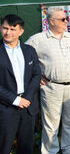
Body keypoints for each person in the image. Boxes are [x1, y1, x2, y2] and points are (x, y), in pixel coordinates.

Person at [26, 7, 70, 154]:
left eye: (66, 18)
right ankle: (50, 151)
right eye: (63, 19)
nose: (66, 21)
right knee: (51, 124)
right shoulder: (38, 40)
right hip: (51, 87)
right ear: (51, 21)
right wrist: (35, 77)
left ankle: (69, 149)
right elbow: (23, 58)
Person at [0, 15, 41, 154]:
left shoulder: (29, 51)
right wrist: (16, 100)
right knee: (3, 147)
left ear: (21, 31)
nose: (7, 32)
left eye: (12, 29)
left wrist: (27, 98)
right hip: (5, 108)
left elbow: (36, 75)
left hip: (28, 107)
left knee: (26, 147)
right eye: (5, 28)